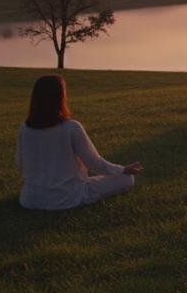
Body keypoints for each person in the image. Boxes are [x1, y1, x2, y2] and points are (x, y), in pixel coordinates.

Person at [15, 75, 143, 210]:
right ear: (60, 98)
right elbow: (95, 164)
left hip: (30, 199)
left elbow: (20, 164)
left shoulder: (25, 128)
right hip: (67, 198)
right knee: (127, 179)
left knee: (101, 178)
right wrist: (123, 169)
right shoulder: (71, 127)